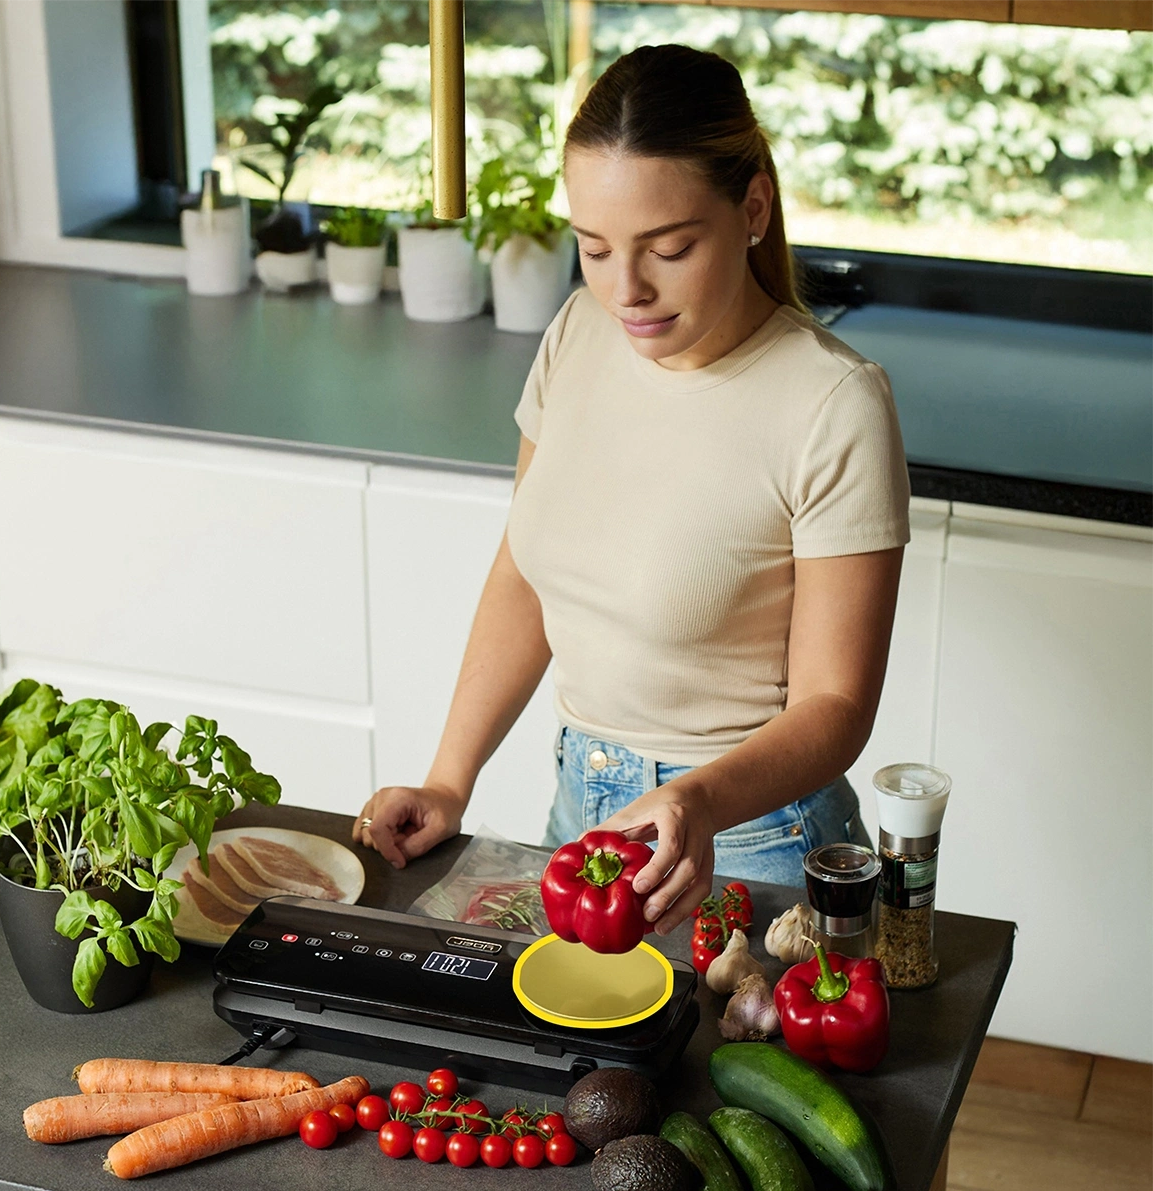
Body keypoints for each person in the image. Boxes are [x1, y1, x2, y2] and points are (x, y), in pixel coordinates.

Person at [353, 43, 910, 937]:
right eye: (595, 247)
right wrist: (451, 777)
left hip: (749, 836)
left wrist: (697, 797)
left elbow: (836, 706)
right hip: (584, 819)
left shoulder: (834, 401)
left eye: (670, 247)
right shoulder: (578, 331)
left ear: (753, 208)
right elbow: (523, 574)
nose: (626, 290)